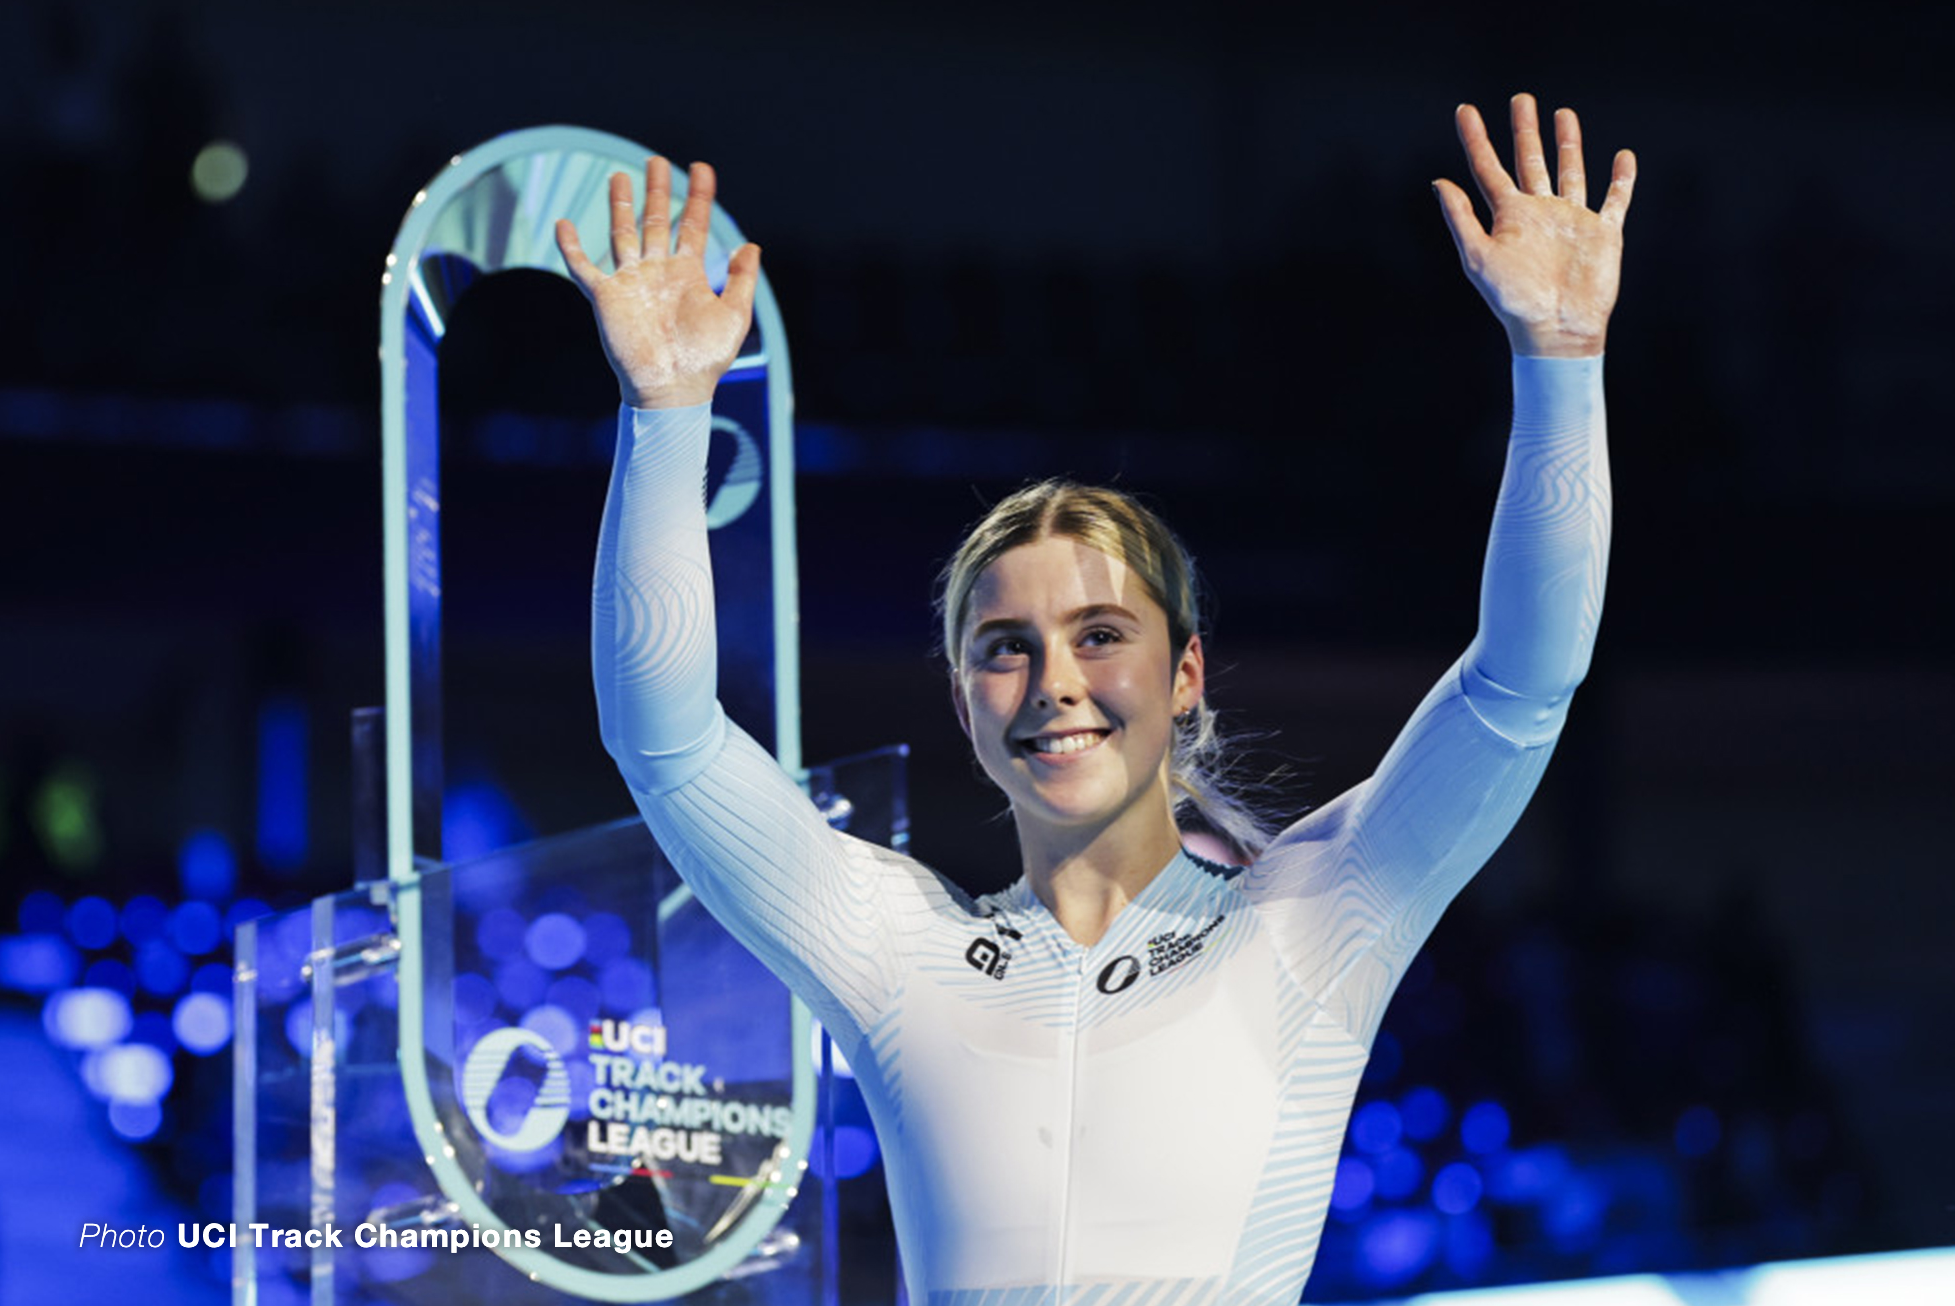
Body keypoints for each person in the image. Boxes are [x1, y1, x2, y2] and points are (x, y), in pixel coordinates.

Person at [557, 93, 1633, 1304]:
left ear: (1184, 677)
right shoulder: (890, 947)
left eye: (1100, 634)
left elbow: (1523, 680)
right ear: (963, 701)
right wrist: (664, 412)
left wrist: (1560, 361)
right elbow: (663, 739)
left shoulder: (1314, 923)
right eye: (1004, 647)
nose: (1053, 684)